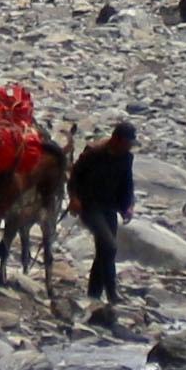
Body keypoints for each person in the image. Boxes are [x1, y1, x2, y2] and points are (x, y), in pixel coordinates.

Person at [69, 116, 138, 323]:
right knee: (110, 246)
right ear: (116, 140)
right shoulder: (93, 153)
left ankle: (94, 294)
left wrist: (128, 206)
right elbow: (74, 177)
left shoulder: (126, 158)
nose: (129, 147)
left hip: (109, 206)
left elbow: (127, 184)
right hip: (89, 206)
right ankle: (111, 292)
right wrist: (74, 198)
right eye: (127, 143)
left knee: (104, 250)